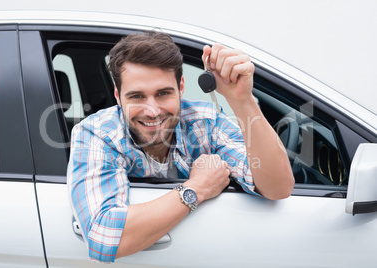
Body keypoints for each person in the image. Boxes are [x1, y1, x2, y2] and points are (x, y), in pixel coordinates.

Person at [67, 31, 294, 263]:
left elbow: (278, 187)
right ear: (117, 95)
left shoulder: (205, 121)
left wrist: (241, 100)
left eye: (163, 93)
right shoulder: (97, 133)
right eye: (137, 96)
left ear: (181, 87)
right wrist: (196, 187)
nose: (153, 111)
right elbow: (103, 237)